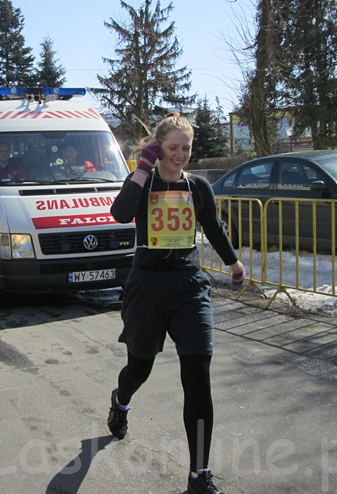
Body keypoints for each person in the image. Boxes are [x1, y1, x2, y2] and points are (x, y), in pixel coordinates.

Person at [107, 114, 246, 494]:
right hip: (147, 287)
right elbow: (120, 213)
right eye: (173, 147)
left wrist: (234, 263)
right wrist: (141, 170)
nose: (181, 155)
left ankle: (199, 474)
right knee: (139, 368)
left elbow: (213, 226)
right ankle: (121, 400)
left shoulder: (197, 187)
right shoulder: (143, 182)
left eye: (186, 148)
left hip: (189, 287)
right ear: (158, 147)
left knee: (198, 375)